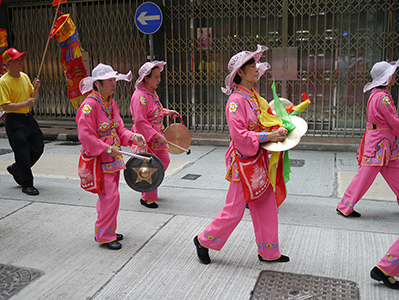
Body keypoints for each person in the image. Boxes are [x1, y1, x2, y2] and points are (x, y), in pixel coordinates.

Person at [193, 45, 289, 264]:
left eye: (256, 65)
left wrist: (277, 130)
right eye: (252, 66)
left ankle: (269, 252)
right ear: (241, 73)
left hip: (259, 160)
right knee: (234, 210)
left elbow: (264, 122)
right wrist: (268, 137)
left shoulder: (255, 97)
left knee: (265, 204)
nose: (257, 70)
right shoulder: (235, 101)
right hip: (243, 163)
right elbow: (240, 136)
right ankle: (203, 240)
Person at [76, 63, 146, 250]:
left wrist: (133, 136)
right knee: (110, 196)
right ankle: (105, 234)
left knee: (110, 197)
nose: (114, 84)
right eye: (109, 81)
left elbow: (120, 129)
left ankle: (108, 229)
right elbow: (85, 136)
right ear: (97, 84)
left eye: (114, 80)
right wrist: (106, 148)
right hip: (100, 159)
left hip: (113, 160)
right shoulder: (89, 106)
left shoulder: (110, 103)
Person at [336, 60, 399, 217]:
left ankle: (345, 205)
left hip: (380, 142)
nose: (395, 76)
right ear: (387, 78)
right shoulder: (383, 97)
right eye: (392, 74)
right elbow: (393, 120)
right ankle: (345, 205)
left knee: (394, 172)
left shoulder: (376, 94)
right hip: (382, 143)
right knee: (365, 175)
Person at [130, 61, 180, 209]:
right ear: (146, 78)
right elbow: (140, 121)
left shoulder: (150, 93)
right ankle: (147, 197)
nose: (159, 80)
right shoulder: (140, 97)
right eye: (156, 77)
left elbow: (154, 111)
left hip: (157, 135)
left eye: (159, 77)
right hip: (148, 139)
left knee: (163, 161)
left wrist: (167, 111)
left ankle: (150, 186)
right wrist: (156, 136)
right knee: (150, 166)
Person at [0, 48, 43, 196]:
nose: (21, 62)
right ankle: (27, 184)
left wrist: (36, 88)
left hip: (28, 119)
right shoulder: (3, 82)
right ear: (7, 64)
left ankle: (17, 169)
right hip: (14, 121)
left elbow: (33, 98)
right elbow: (5, 106)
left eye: (21, 59)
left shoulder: (24, 77)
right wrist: (25, 103)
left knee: (38, 147)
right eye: (16, 60)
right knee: (22, 153)